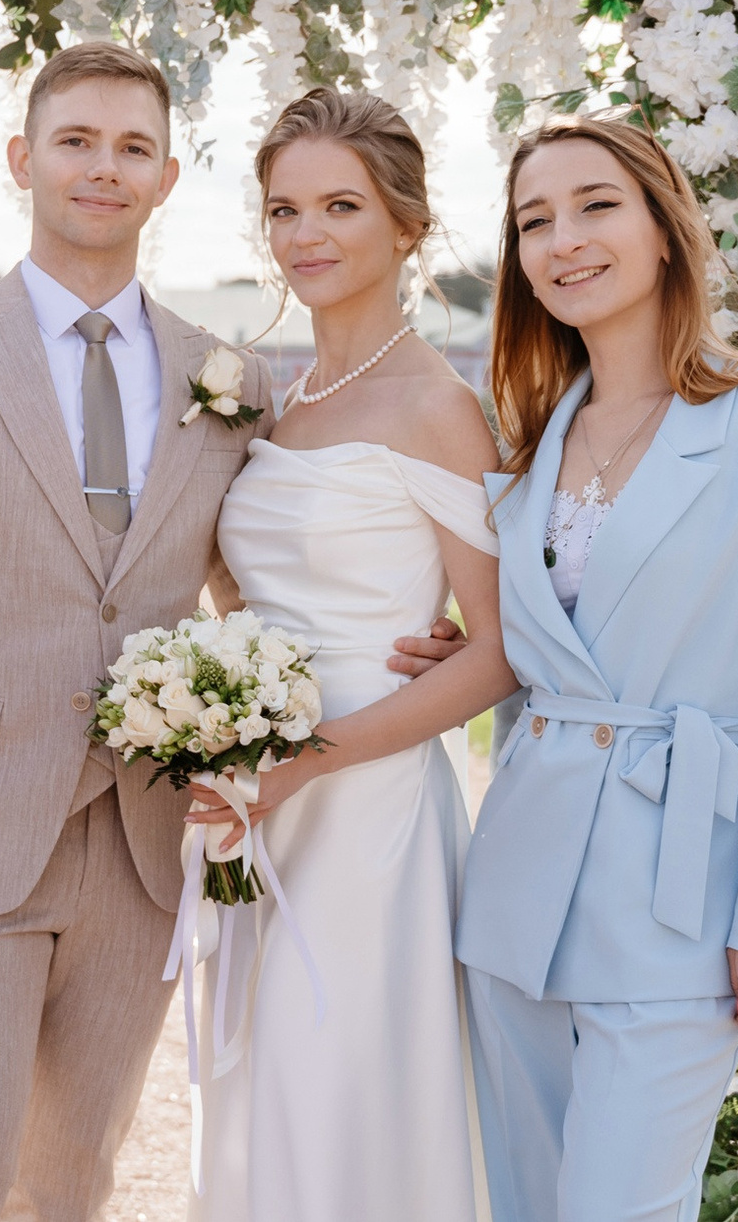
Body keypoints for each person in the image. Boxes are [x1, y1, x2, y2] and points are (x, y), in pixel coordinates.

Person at [0, 42, 280, 1222]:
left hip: (141, 846)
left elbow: (254, 595)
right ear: (23, 158)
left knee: (68, 1186)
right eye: (76, 140)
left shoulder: (226, 379)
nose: (103, 167)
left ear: (167, 178)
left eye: (132, 147)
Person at [448, 115, 738, 1222]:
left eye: (596, 206)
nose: (564, 240)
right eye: (535, 221)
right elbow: (544, 652)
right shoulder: (533, 433)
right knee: (525, 1204)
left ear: (665, 228)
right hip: (519, 889)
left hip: (682, 893)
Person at [182, 88, 517, 1220]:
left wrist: (304, 759)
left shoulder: (435, 405)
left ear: (406, 225)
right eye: (284, 209)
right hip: (260, 787)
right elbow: (248, 589)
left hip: (366, 805)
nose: (305, 234)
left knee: (343, 1086)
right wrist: (216, 714)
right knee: (265, 1096)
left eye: (340, 205)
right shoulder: (277, 400)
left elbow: (497, 650)